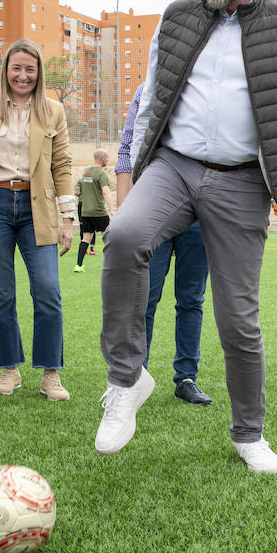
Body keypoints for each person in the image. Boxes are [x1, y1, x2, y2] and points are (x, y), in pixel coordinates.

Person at [95, 0, 277, 474]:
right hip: (174, 166)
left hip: (242, 181)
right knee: (124, 236)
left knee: (238, 318)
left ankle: (249, 433)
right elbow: (149, 102)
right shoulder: (177, 18)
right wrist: (129, 172)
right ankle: (126, 379)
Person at [0, 38, 76, 401]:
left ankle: (50, 373)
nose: (23, 75)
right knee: (1, 294)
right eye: (16, 68)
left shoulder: (52, 110)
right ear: (5, 70)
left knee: (47, 290)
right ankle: (9, 369)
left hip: (36, 208)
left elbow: (62, 164)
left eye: (30, 69)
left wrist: (67, 217)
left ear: (38, 73)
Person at [116, 82, 214, 405]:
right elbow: (127, 152)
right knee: (144, 299)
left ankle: (186, 377)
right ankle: (134, 377)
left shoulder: (207, 88)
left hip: (199, 212)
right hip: (153, 208)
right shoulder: (147, 90)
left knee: (191, 298)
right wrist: (125, 213)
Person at [73, 149, 113, 274]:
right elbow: (105, 192)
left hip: (86, 211)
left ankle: (78, 265)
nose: (107, 160)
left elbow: (78, 191)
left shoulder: (86, 173)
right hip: (99, 211)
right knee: (109, 237)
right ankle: (113, 265)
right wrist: (112, 209)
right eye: (107, 157)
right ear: (102, 158)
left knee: (85, 238)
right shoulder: (101, 174)